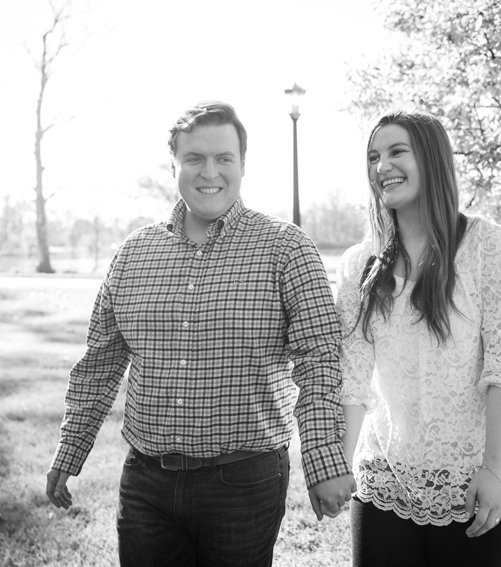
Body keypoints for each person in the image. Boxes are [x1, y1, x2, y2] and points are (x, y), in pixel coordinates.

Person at [45, 101, 355, 566]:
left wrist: (323, 460)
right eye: (194, 158)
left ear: (242, 165)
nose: (209, 171)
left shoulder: (287, 248)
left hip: (244, 483)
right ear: (175, 165)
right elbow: (101, 362)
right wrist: (70, 450)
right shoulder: (134, 254)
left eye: (223, 158)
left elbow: (319, 362)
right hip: (147, 483)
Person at [337, 110, 501, 567]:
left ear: (432, 160)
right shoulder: (360, 264)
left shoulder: (485, 246)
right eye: (374, 157)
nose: (381, 167)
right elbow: (351, 376)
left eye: (397, 152)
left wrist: (493, 470)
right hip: (385, 479)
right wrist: (339, 465)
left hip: (477, 477)